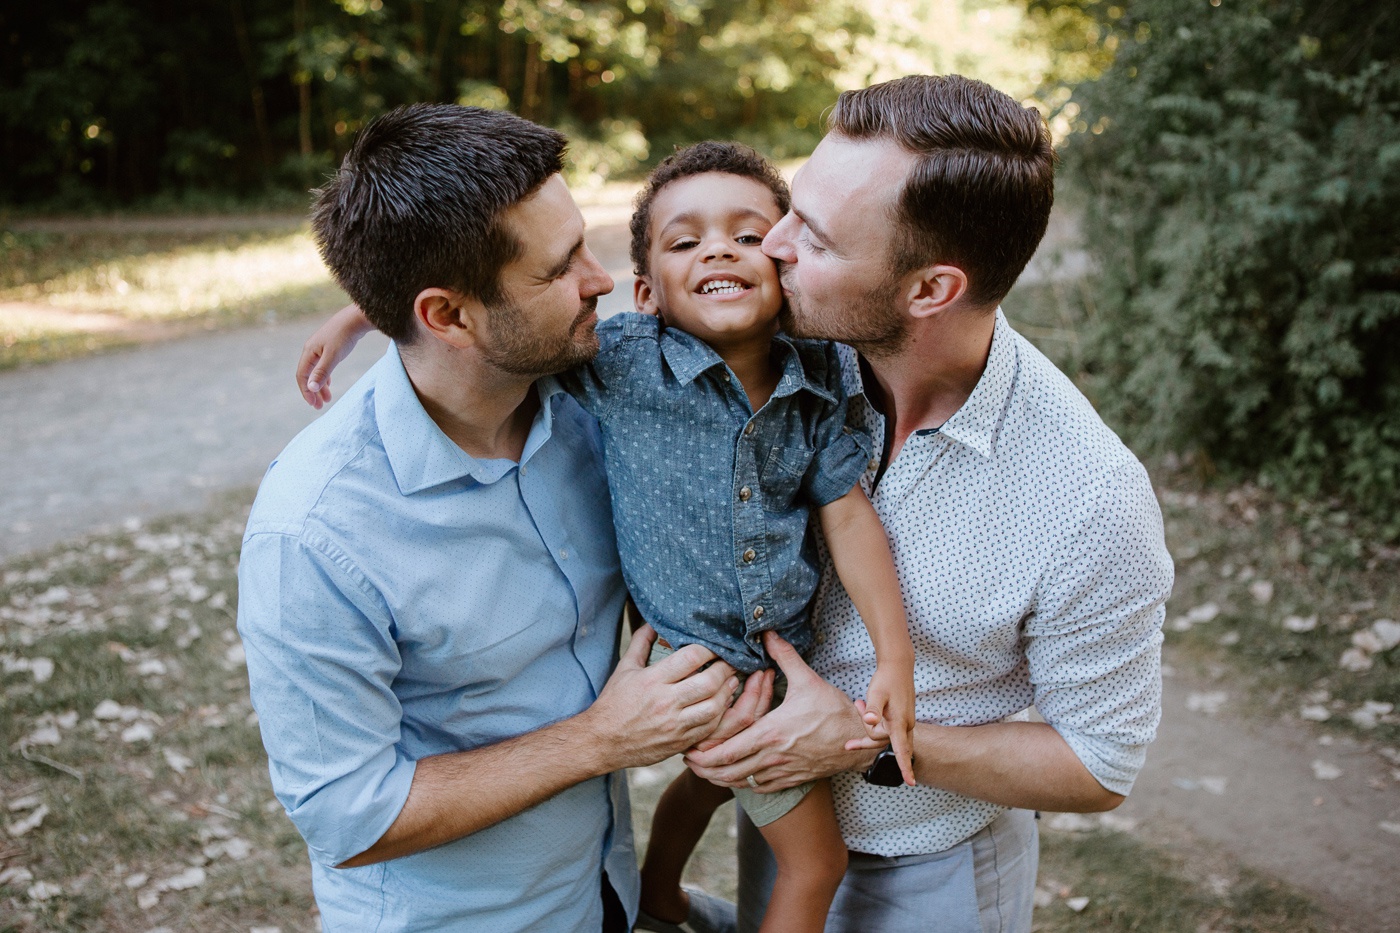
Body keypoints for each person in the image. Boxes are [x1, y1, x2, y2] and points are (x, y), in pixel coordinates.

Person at [296, 141, 918, 933]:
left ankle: (657, 895)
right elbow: (474, 315)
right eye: (685, 241)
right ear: (647, 292)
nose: (721, 249)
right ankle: (665, 894)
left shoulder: (821, 377)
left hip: (779, 651)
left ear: (787, 260)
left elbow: (849, 515)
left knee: (712, 780)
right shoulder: (623, 362)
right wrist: (370, 308)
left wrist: (893, 655)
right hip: (697, 664)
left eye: (750, 235)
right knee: (816, 859)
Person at [236, 103, 747, 932]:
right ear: (448, 316)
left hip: (606, 890)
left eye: (585, 241)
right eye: (559, 269)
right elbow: (347, 815)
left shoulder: (597, 400)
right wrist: (597, 740)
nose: (602, 280)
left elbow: (776, 314)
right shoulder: (314, 534)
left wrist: (374, 302)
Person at [684, 74, 1175, 933]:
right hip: (776, 829)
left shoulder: (1090, 497)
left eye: (820, 239)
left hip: (936, 872)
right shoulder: (775, 352)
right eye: (791, 208)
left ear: (929, 290)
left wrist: (868, 737)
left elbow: (1098, 764)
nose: (775, 244)